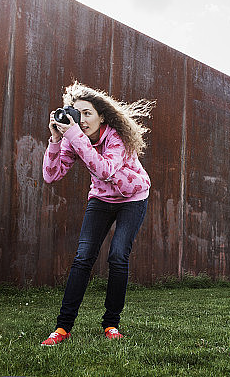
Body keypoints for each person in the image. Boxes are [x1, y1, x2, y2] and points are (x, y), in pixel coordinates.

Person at [40, 81, 154, 346]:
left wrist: (74, 136)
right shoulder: (74, 139)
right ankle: (62, 327)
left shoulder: (115, 137)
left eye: (87, 113)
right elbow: (51, 175)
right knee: (83, 258)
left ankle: (111, 323)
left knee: (118, 256)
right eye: (77, 113)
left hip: (133, 198)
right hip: (101, 199)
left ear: (101, 116)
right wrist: (56, 140)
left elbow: (105, 170)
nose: (82, 120)